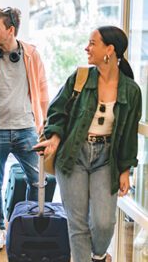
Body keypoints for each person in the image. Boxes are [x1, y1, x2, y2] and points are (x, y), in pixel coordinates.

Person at [34, 26, 142, 262]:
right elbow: (57, 111)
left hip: (107, 158)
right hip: (74, 154)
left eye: (92, 43)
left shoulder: (131, 90)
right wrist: (53, 139)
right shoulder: (80, 77)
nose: (87, 48)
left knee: (104, 222)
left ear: (110, 49)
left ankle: (99, 256)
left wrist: (126, 170)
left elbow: (129, 136)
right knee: (78, 222)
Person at [0, 7, 49, 250]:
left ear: (10, 30)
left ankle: (26, 224)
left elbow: (43, 92)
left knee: (38, 182)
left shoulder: (31, 54)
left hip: (27, 129)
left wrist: (44, 126)